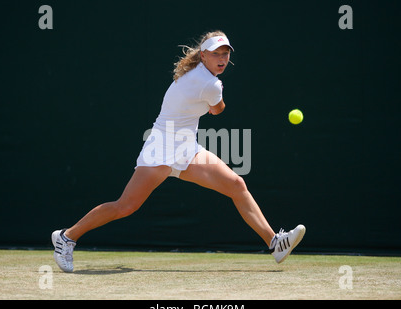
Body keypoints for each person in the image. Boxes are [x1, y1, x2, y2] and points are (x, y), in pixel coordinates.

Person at [52, 30, 306, 272]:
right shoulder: (210, 84)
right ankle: (66, 237)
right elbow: (218, 110)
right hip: (161, 148)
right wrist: (211, 101)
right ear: (203, 55)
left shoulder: (196, 71)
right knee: (125, 206)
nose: (222, 59)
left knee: (236, 185)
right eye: (216, 54)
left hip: (186, 147)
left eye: (226, 53)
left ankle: (275, 243)